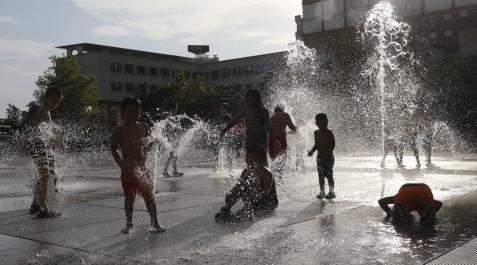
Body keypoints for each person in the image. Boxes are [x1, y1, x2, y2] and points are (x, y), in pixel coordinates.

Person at [214, 89, 279, 220]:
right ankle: (236, 207)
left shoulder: (262, 111)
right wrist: (224, 130)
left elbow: (268, 126)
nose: (249, 101)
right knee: (251, 172)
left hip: (260, 144)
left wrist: (273, 139)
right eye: (247, 99)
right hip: (250, 145)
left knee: (260, 169)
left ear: (257, 99)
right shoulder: (245, 111)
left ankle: (256, 202)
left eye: (252, 99)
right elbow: (234, 121)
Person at [111, 97, 166, 234]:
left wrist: (155, 142)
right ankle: (129, 224)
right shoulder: (119, 131)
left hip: (143, 169)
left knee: (149, 197)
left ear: (140, 112)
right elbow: (114, 149)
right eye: (129, 112)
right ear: (123, 113)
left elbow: (147, 145)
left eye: (136, 112)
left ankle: (155, 223)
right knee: (129, 199)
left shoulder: (144, 127)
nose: (133, 115)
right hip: (128, 170)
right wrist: (121, 164)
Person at [25, 86, 64, 218]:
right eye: (53, 100)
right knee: (44, 176)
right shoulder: (43, 110)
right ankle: (44, 208)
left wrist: (56, 143)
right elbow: (34, 127)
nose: (55, 104)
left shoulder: (45, 111)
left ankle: (35, 204)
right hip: (38, 145)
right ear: (46, 98)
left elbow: (47, 133)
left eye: (58, 102)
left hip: (39, 145)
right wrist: (29, 139)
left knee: (42, 174)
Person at [378, 183, 442, 224]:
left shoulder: (399, 199)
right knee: (427, 222)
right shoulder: (421, 205)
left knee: (401, 222)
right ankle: (427, 216)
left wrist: (389, 212)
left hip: (406, 190)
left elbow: (381, 201)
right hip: (424, 189)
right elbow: (439, 204)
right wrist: (433, 211)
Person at [308, 113, 336, 200]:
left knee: (329, 175)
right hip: (319, 158)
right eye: (320, 123)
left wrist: (327, 153)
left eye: (324, 122)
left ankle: (331, 192)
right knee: (320, 175)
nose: (323, 125)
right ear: (316, 123)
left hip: (328, 158)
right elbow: (316, 145)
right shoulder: (316, 133)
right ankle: (322, 191)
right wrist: (312, 151)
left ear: (327, 122)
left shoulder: (329, 133)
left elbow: (332, 145)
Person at [268, 104, 297, 178]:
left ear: (275, 110)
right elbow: (292, 128)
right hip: (281, 139)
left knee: (274, 158)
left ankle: (274, 175)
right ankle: (280, 174)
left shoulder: (271, 117)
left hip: (271, 139)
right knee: (283, 156)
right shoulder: (285, 115)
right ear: (283, 110)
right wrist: (293, 131)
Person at [213, 102, 233, 171]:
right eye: (220, 107)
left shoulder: (228, 116)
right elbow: (216, 127)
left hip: (227, 136)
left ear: (226, 108)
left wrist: (229, 134)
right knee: (216, 151)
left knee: (228, 152)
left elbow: (231, 126)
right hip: (219, 136)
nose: (220, 108)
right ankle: (216, 167)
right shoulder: (219, 117)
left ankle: (230, 168)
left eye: (222, 107)